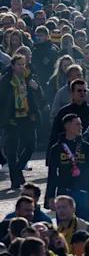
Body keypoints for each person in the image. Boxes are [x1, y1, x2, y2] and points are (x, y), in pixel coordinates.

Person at [0, 54, 43, 189]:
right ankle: (15, 180)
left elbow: (39, 96)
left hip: (27, 117)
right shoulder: (6, 80)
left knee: (31, 145)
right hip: (11, 118)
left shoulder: (29, 78)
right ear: (12, 66)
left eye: (23, 64)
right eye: (19, 64)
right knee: (12, 150)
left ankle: (17, 170)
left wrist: (37, 88)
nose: (22, 67)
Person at [46, 114, 89, 218]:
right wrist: (50, 197)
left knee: (84, 224)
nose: (81, 127)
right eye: (77, 124)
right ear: (67, 126)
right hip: (64, 192)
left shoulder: (86, 146)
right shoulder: (57, 148)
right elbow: (52, 174)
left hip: (83, 192)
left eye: (81, 124)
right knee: (64, 225)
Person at [50, 78, 89, 151]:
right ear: (72, 93)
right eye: (79, 90)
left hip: (87, 151)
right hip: (67, 151)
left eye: (85, 91)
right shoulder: (63, 112)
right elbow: (54, 136)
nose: (82, 93)